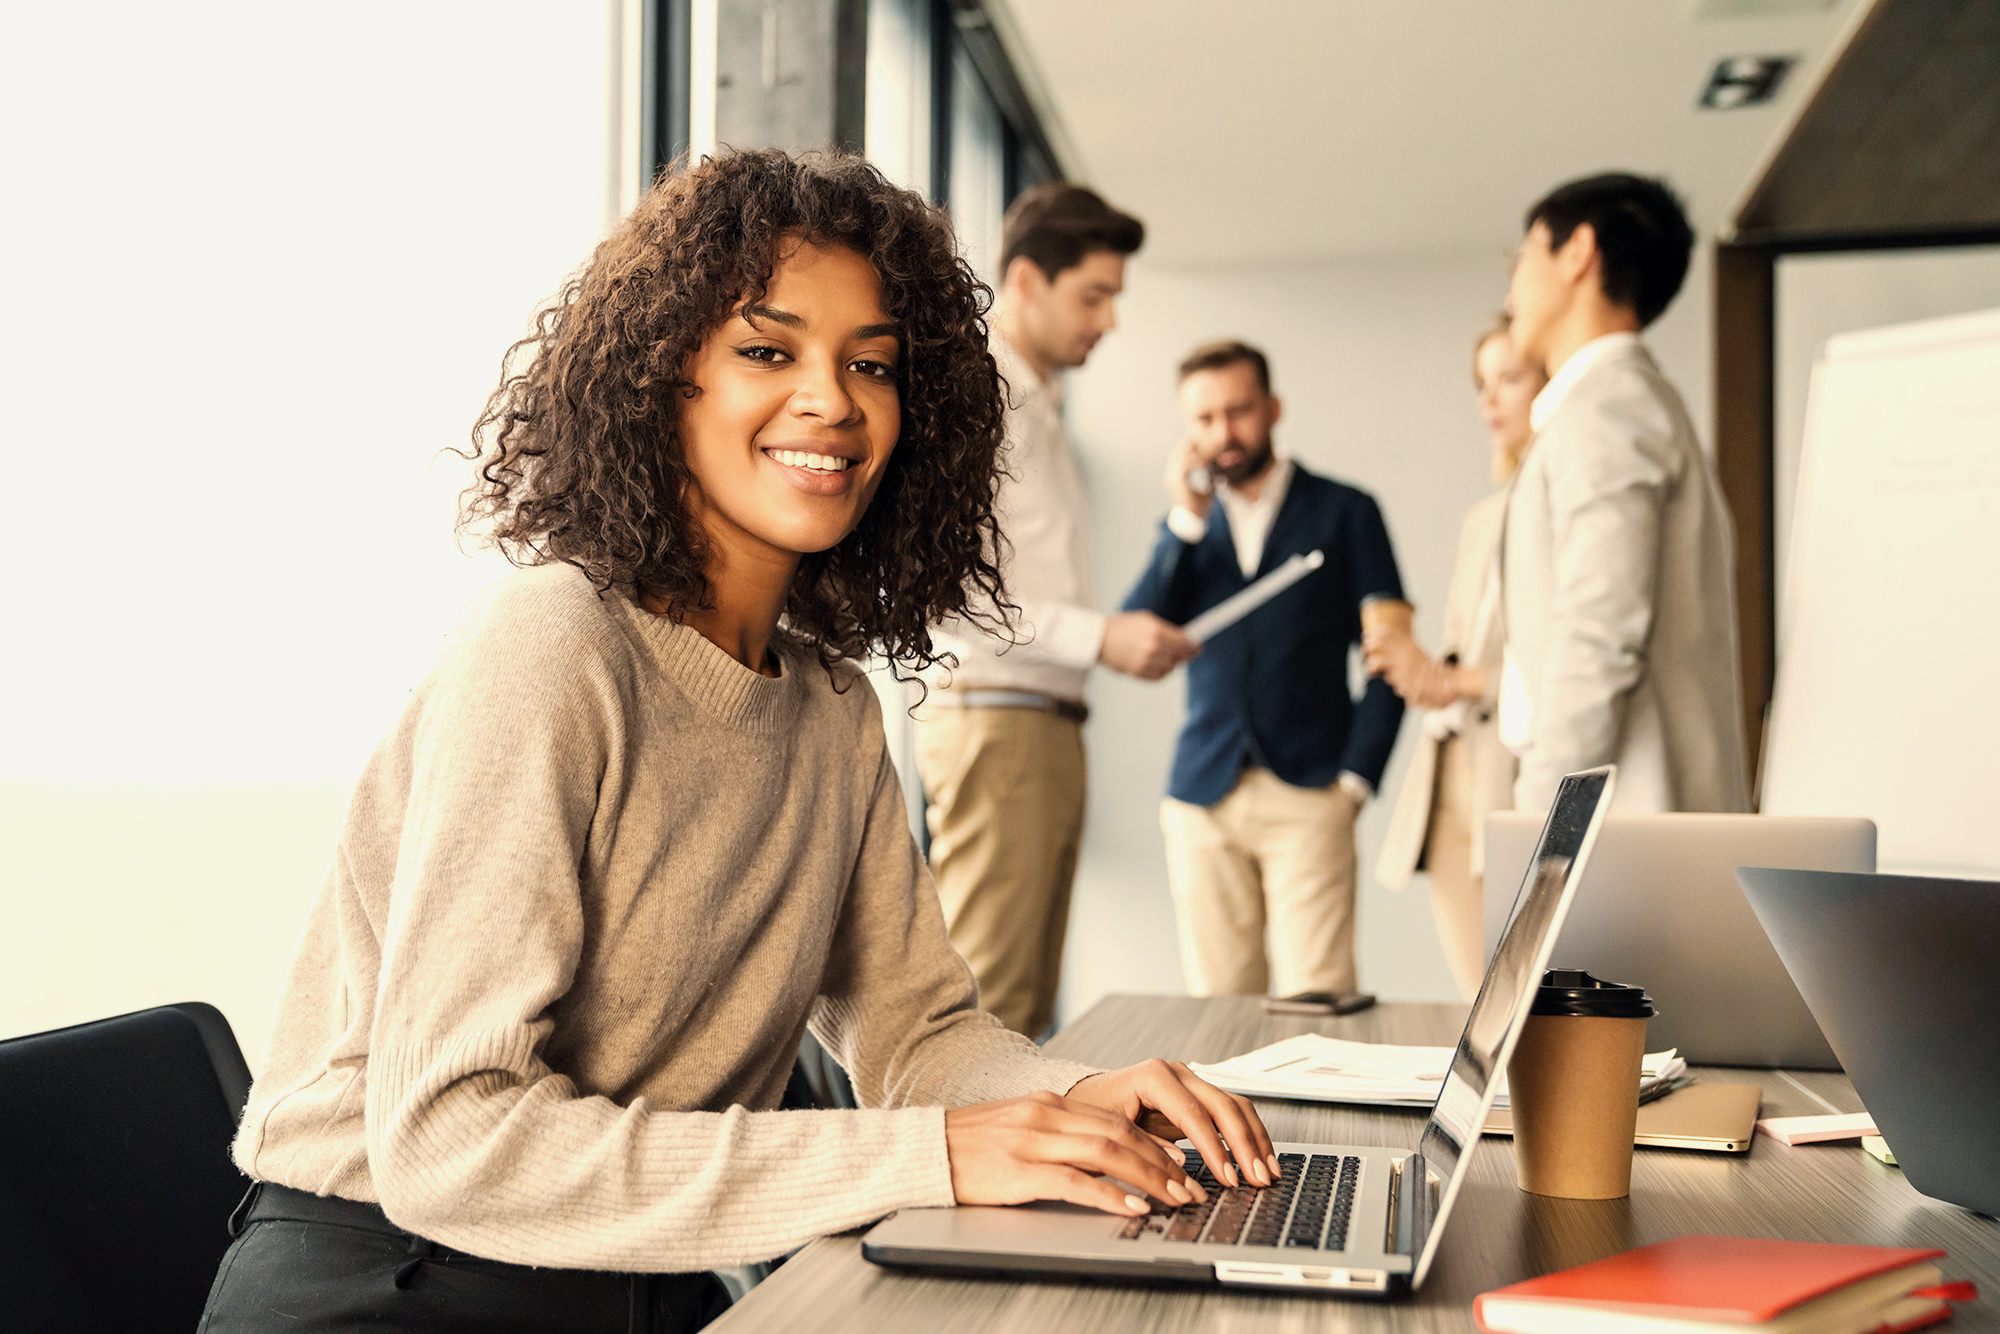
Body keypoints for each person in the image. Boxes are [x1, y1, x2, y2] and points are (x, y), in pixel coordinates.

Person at [198, 151, 1277, 1334]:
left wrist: (1074, 1095)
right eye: (768, 351)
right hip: (398, 1282)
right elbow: (450, 1137)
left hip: (640, 1276)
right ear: (666, 380)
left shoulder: (830, 710)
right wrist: (926, 1157)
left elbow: (916, 1032)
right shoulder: (555, 646)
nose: (833, 399)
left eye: (871, 364)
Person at [917, 183, 1193, 1040]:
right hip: (1003, 722)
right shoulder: (989, 397)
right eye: (1094, 296)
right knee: (989, 1009)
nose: (1109, 321)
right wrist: (1100, 636)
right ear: (1027, 282)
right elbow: (949, 593)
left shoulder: (1037, 402)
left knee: (1022, 1010)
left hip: (1038, 723)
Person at [1123, 340, 1405, 1003]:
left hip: (1310, 792)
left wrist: (1357, 780)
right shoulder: (1189, 529)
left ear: (1272, 408)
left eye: (1240, 411)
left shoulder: (1346, 511)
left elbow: (1392, 655)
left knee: (1319, 1003)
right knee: (1220, 1011)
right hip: (1203, 795)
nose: (1224, 433)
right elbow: (1136, 636)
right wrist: (1183, 523)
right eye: (1205, 419)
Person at [1499, 172, 1750, 813]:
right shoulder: (1623, 403)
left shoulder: (1609, 408)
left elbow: (1600, 632)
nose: (1512, 290)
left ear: (1578, 252)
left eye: (1524, 257)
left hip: (1622, 822)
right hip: (1632, 817)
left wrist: (1538, 812)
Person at [1366, 318, 1546, 999]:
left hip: (1515, 776)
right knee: (1482, 1002)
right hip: (1447, 783)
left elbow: (1566, 666)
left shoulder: (1561, 509)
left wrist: (1448, 678)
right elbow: (1464, 654)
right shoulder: (1484, 516)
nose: (1489, 401)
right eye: (1481, 384)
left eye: (1509, 379)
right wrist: (1416, 667)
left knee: (1526, 1004)